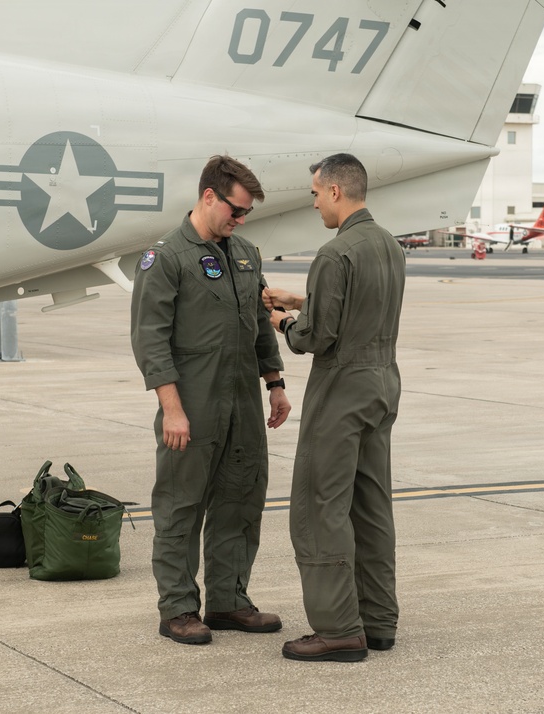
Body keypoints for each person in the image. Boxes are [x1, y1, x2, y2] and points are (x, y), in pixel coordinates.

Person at [131, 155, 291, 646]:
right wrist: (172, 409)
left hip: (242, 401)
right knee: (181, 506)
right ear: (208, 196)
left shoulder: (245, 253)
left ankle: (228, 601)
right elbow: (150, 339)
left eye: (246, 213)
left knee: (240, 500)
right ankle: (178, 608)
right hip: (193, 403)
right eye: (235, 210)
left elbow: (260, 322)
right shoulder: (165, 258)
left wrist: (275, 382)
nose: (240, 220)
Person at [263, 153, 405, 662]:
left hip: (342, 389)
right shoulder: (389, 246)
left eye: (316, 194)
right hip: (382, 383)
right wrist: (301, 300)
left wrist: (284, 322)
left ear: (336, 191)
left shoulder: (334, 253)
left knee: (320, 507)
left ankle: (338, 628)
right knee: (371, 506)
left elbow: (317, 337)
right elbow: (357, 307)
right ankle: (378, 621)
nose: (315, 204)